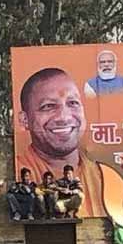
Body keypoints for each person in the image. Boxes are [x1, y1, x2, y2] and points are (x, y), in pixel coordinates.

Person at [16, 68, 103, 217]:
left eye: (73, 103)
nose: (64, 117)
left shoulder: (103, 176)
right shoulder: (17, 171)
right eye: (48, 106)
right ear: (25, 120)